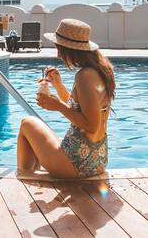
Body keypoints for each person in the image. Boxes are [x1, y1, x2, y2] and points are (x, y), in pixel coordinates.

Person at [16, 18, 115, 178]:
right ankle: (29, 174)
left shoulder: (84, 76)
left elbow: (92, 125)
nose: (58, 55)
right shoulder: (100, 71)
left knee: (27, 123)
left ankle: (24, 177)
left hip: (76, 164)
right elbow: (81, 108)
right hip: (97, 160)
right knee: (39, 132)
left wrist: (58, 106)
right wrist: (58, 84)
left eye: (59, 49)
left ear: (70, 49)